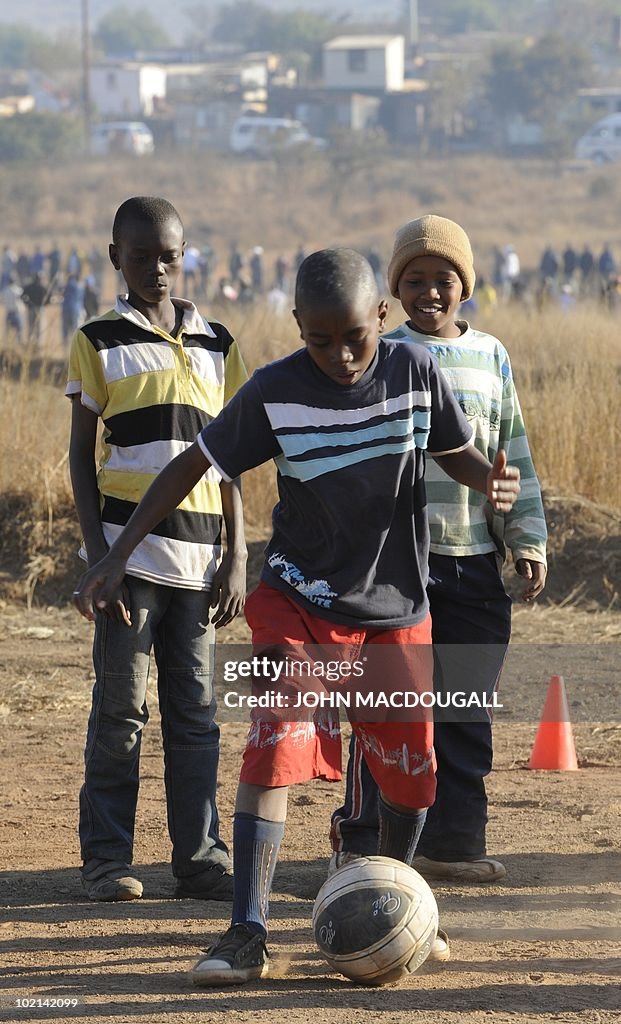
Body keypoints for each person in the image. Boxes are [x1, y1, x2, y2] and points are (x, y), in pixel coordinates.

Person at [73, 247, 521, 984]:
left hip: (394, 610)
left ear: (382, 316)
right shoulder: (275, 391)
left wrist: (489, 481)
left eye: (354, 337)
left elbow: (457, 451)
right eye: (320, 340)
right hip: (297, 602)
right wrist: (117, 555)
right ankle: (246, 931)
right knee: (274, 744)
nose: (341, 356)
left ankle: (390, 894)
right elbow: (193, 465)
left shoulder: (414, 373)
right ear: (297, 328)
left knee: (411, 779)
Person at [330, 215, 547, 885]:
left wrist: (527, 539)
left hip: (472, 562)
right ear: (393, 291)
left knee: (463, 711)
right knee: (388, 712)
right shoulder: (382, 355)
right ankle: (364, 840)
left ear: (464, 286)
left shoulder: (490, 355)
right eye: (414, 280)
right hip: (396, 569)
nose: (430, 291)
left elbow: (510, 451)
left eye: (443, 279)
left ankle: (452, 842)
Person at [66, 196, 249, 903]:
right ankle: (107, 862)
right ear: (116, 258)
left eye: (167, 256)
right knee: (120, 713)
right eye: (139, 257)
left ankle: (200, 859)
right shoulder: (98, 338)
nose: (156, 269)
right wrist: (96, 553)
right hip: (128, 560)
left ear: (184, 254)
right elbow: (82, 458)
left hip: (202, 565)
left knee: (196, 714)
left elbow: (232, 456)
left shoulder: (218, 343)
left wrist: (237, 554)